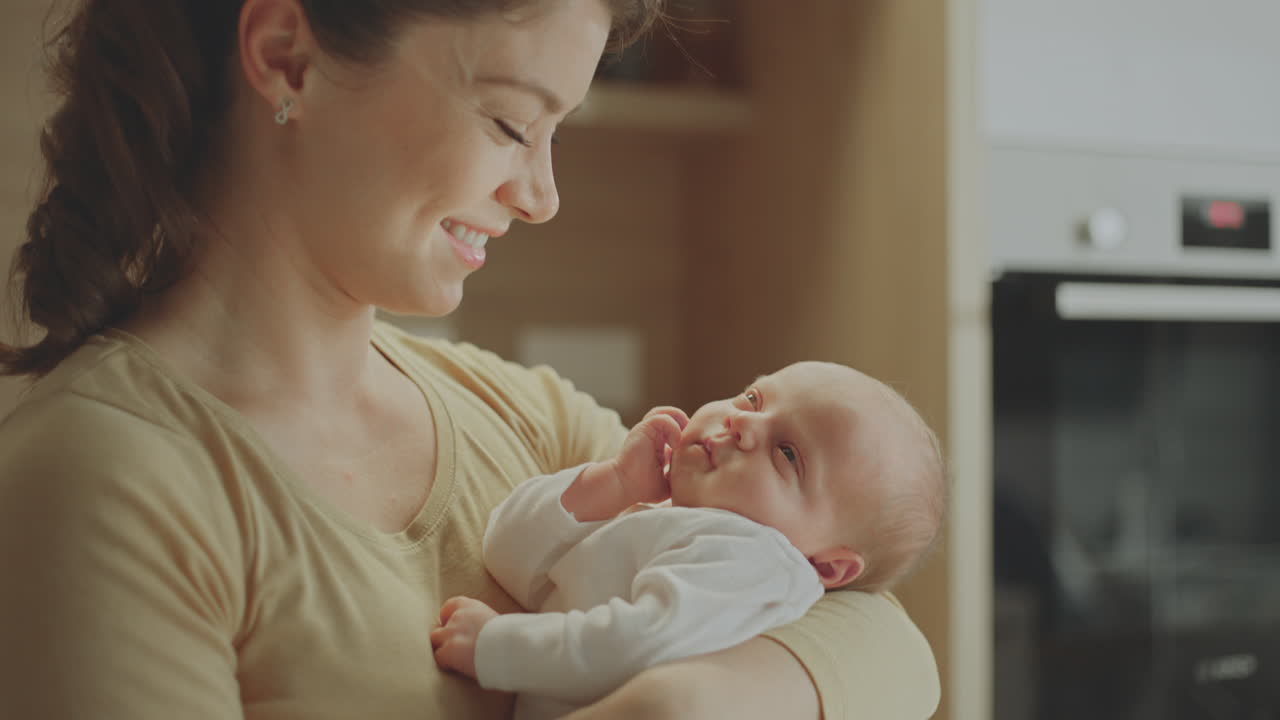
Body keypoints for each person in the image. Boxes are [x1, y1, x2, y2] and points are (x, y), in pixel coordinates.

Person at [0, 0, 942, 718]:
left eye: (556, 132)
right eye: (509, 123)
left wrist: (688, 703)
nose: (541, 195)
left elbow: (891, 643)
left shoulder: (525, 420)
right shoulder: (100, 480)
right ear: (289, 58)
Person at [430, 361, 946, 720]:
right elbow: (508, 554)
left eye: (788, 453)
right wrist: (613, 484)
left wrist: (497, 647)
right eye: (753, 397)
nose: (742, 422)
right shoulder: (672, 513)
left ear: (827, 567)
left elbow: (638, 643)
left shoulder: (750, 559)